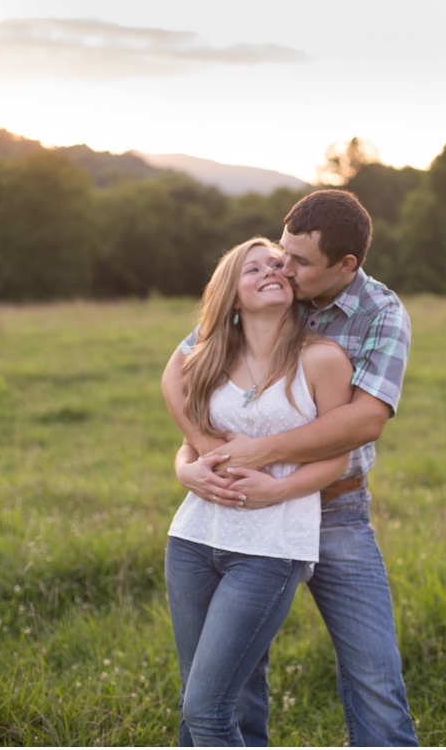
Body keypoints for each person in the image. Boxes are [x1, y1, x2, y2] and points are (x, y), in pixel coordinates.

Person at [162, 190, 419, 747]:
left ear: (346, 265)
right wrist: (194, 458)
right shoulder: (274, 289)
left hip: (337, 506)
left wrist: (261, 453)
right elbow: (185, 367)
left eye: (300, 261)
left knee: (374, 670)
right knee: (235, 679)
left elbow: (363, 422)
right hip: (240, 513)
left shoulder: (381, 313)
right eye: (283, 252)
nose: (285, 266)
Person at [163, 236, 354, 747]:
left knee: (206, 710)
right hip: (192, 541)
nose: (272, 270)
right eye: (253, 269)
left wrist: (280, 488)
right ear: (231, 294)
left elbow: (339, 453)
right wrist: (186, 471)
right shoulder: (208, 358)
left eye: (277, 264)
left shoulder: (322, 359)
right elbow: (190, 443)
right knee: (198, 702)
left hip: (269, 550)